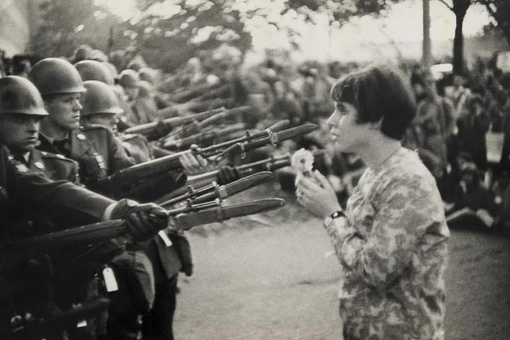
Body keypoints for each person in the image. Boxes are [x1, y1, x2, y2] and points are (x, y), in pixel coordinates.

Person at [295, 65, 449, 339]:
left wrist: (331, 214)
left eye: (342, 110)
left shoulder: (406, 181)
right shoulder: (378, 170)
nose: (331, 121)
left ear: (375, 119)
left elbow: (374, 269)